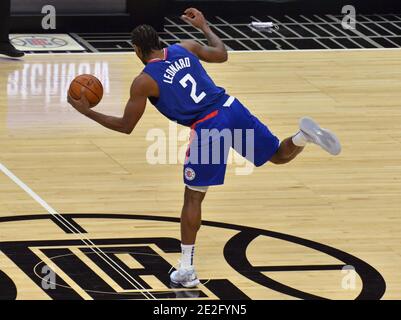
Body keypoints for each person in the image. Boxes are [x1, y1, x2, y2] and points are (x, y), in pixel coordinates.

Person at [68, 8, 341, 288]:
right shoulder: (183, 47)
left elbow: (126, 125)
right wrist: (204, 26)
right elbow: (222, 54)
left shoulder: (144, 81)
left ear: (137, 49)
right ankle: (303, 137)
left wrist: (86, 112)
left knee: (193, 199)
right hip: (231, 109)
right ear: (160, 41)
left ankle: (186, 269)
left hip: (210, 127)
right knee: (279, 156)